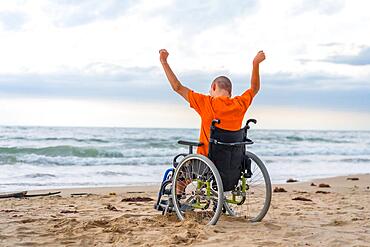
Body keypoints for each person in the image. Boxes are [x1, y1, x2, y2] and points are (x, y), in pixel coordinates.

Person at [159, 49, 265, 156]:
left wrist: (164, 61)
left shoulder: (206, 102)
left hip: (206, 163)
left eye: (210, 91)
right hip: (232, 163)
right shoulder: (240, 104)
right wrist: (255, 63)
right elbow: (254, 88)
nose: (209, 93)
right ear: (230, 92)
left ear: (214, 87)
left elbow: (177, 87)